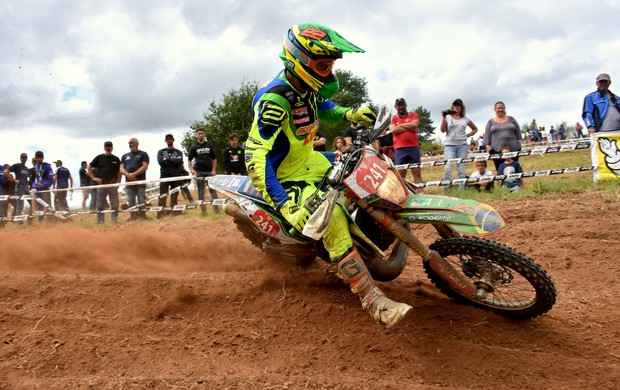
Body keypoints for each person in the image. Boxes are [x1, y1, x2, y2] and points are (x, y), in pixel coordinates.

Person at [244, 23, 411, 329]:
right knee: (331, 217)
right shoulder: (275, 100)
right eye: (323, 65)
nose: (329, 71)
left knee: (370, 168)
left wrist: (348, 114)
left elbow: (322, 106)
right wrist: (285, 205)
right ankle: (372, 299)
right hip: (287, 177)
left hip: (312, 160)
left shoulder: (304, 87)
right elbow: (254, 155)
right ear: (300, 61)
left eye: (331, 64)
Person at [440, 98, 479, 190]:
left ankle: (461, 189)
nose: (456, 107)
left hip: (462, 145)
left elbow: (475, 129)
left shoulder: (466, 119)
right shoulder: (448, 117)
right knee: (448, 167)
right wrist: (443, 118)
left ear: (462, 107)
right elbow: (442, 130)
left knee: (461, 168)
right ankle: (446, 189)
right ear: (452, 107)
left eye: (458, 105)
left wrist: (467, 135)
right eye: (455, 105)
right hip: (449, 145)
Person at [391, 97, 423, 184]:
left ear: (406, 105)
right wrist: (409, 126)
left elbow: (415, 125)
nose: (401, 107)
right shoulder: (393, 118)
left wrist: (399, 126)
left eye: (402, 104)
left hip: (413, 147)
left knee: (416, 172)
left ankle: (421, 193)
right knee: (401, 173)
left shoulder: (413, 114)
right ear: (395, 107)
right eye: (399, 105)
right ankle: (402, 196)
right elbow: (393, 130)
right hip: (399, 149)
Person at [188, 128, 219, 216]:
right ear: (196, 135)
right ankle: (203, 212)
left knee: (213, 191)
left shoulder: (209, 145)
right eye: (199, 133)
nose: (200, 135)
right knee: (201, 192)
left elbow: (214, 158)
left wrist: (213, 170)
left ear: (204, 134)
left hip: (209, 172)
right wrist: (193, 170)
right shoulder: (194, 146)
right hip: (199, 172)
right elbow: (189, 160)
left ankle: (217, 210)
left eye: (202, 133)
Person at [484, 101, 523, 171]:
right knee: (500, 171)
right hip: (496, 151)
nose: (500, 110)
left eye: (502, 108)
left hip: (513, 150)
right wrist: (490, 149)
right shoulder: (490, 122)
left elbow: (518, 134)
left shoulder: (512, 119)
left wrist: (519, 145)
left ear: (504, 108)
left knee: (514, 170)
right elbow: (487, 139)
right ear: (495, 110)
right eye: (498, 108)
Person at [88, 141, 121, 224]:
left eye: (110, 146)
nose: (108, 148)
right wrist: (93, 178)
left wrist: (118, 182)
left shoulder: (116, 159)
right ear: (104, 148)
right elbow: (89, 166)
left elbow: (119, 171)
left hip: (113, 185)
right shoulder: (99, 157)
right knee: (99, 205)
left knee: (115, 205)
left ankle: (114, 221)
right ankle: (100, 221)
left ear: (112, 148)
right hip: (102, 185)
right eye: (107, 146)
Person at [120, 137, 150, 221]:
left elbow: (145, 166)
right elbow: (121, 168)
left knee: (141, 200)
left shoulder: (143, 154)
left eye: (132, 142)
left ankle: (142, 216)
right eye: (129, 143)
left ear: (137, 144)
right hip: (129, 183)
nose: (130, 144)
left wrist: (134, 174)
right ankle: (133, 216)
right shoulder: (124, 156)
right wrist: (127, 174)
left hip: (140, 182)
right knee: (131, 201)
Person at [157, 133, 184, 218]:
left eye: (170, 138)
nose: (169, 140)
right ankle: (160, 214)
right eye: (167, 139)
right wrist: (173, 160)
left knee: (174, 196)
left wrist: (168, 160)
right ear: (165, 140)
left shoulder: (178, 152)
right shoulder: (161, 152)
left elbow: (179, 162)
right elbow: (161, 162)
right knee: (163, 196)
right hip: (164, 176)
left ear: (173, 140)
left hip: (176, 175)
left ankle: (175, 213)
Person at [4, 153, 30, 218]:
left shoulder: (26, 168)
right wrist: (13, 180)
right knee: (20, 203)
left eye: (25, 157)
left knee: (32, 202)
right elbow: (5, 172)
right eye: (23, 157)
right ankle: (18, 220)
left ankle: (30, 219)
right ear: (20, 158)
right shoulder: (17, 166)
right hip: (20, 187)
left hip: (26, 187)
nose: (24, 158)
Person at [31, 151, 54, 220]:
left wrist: (43, 185)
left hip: (44, 189)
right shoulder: (35, 167)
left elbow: (51, 180)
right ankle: (41, 222)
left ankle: (50, 222)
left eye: (40, 158)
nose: (39, 159)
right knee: (39, 207)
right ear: (35, 158)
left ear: (43, 158)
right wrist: (33, 186)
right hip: (36, 190)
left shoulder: (48, 167)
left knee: (48, 206)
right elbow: (34, 178)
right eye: (37, 158)